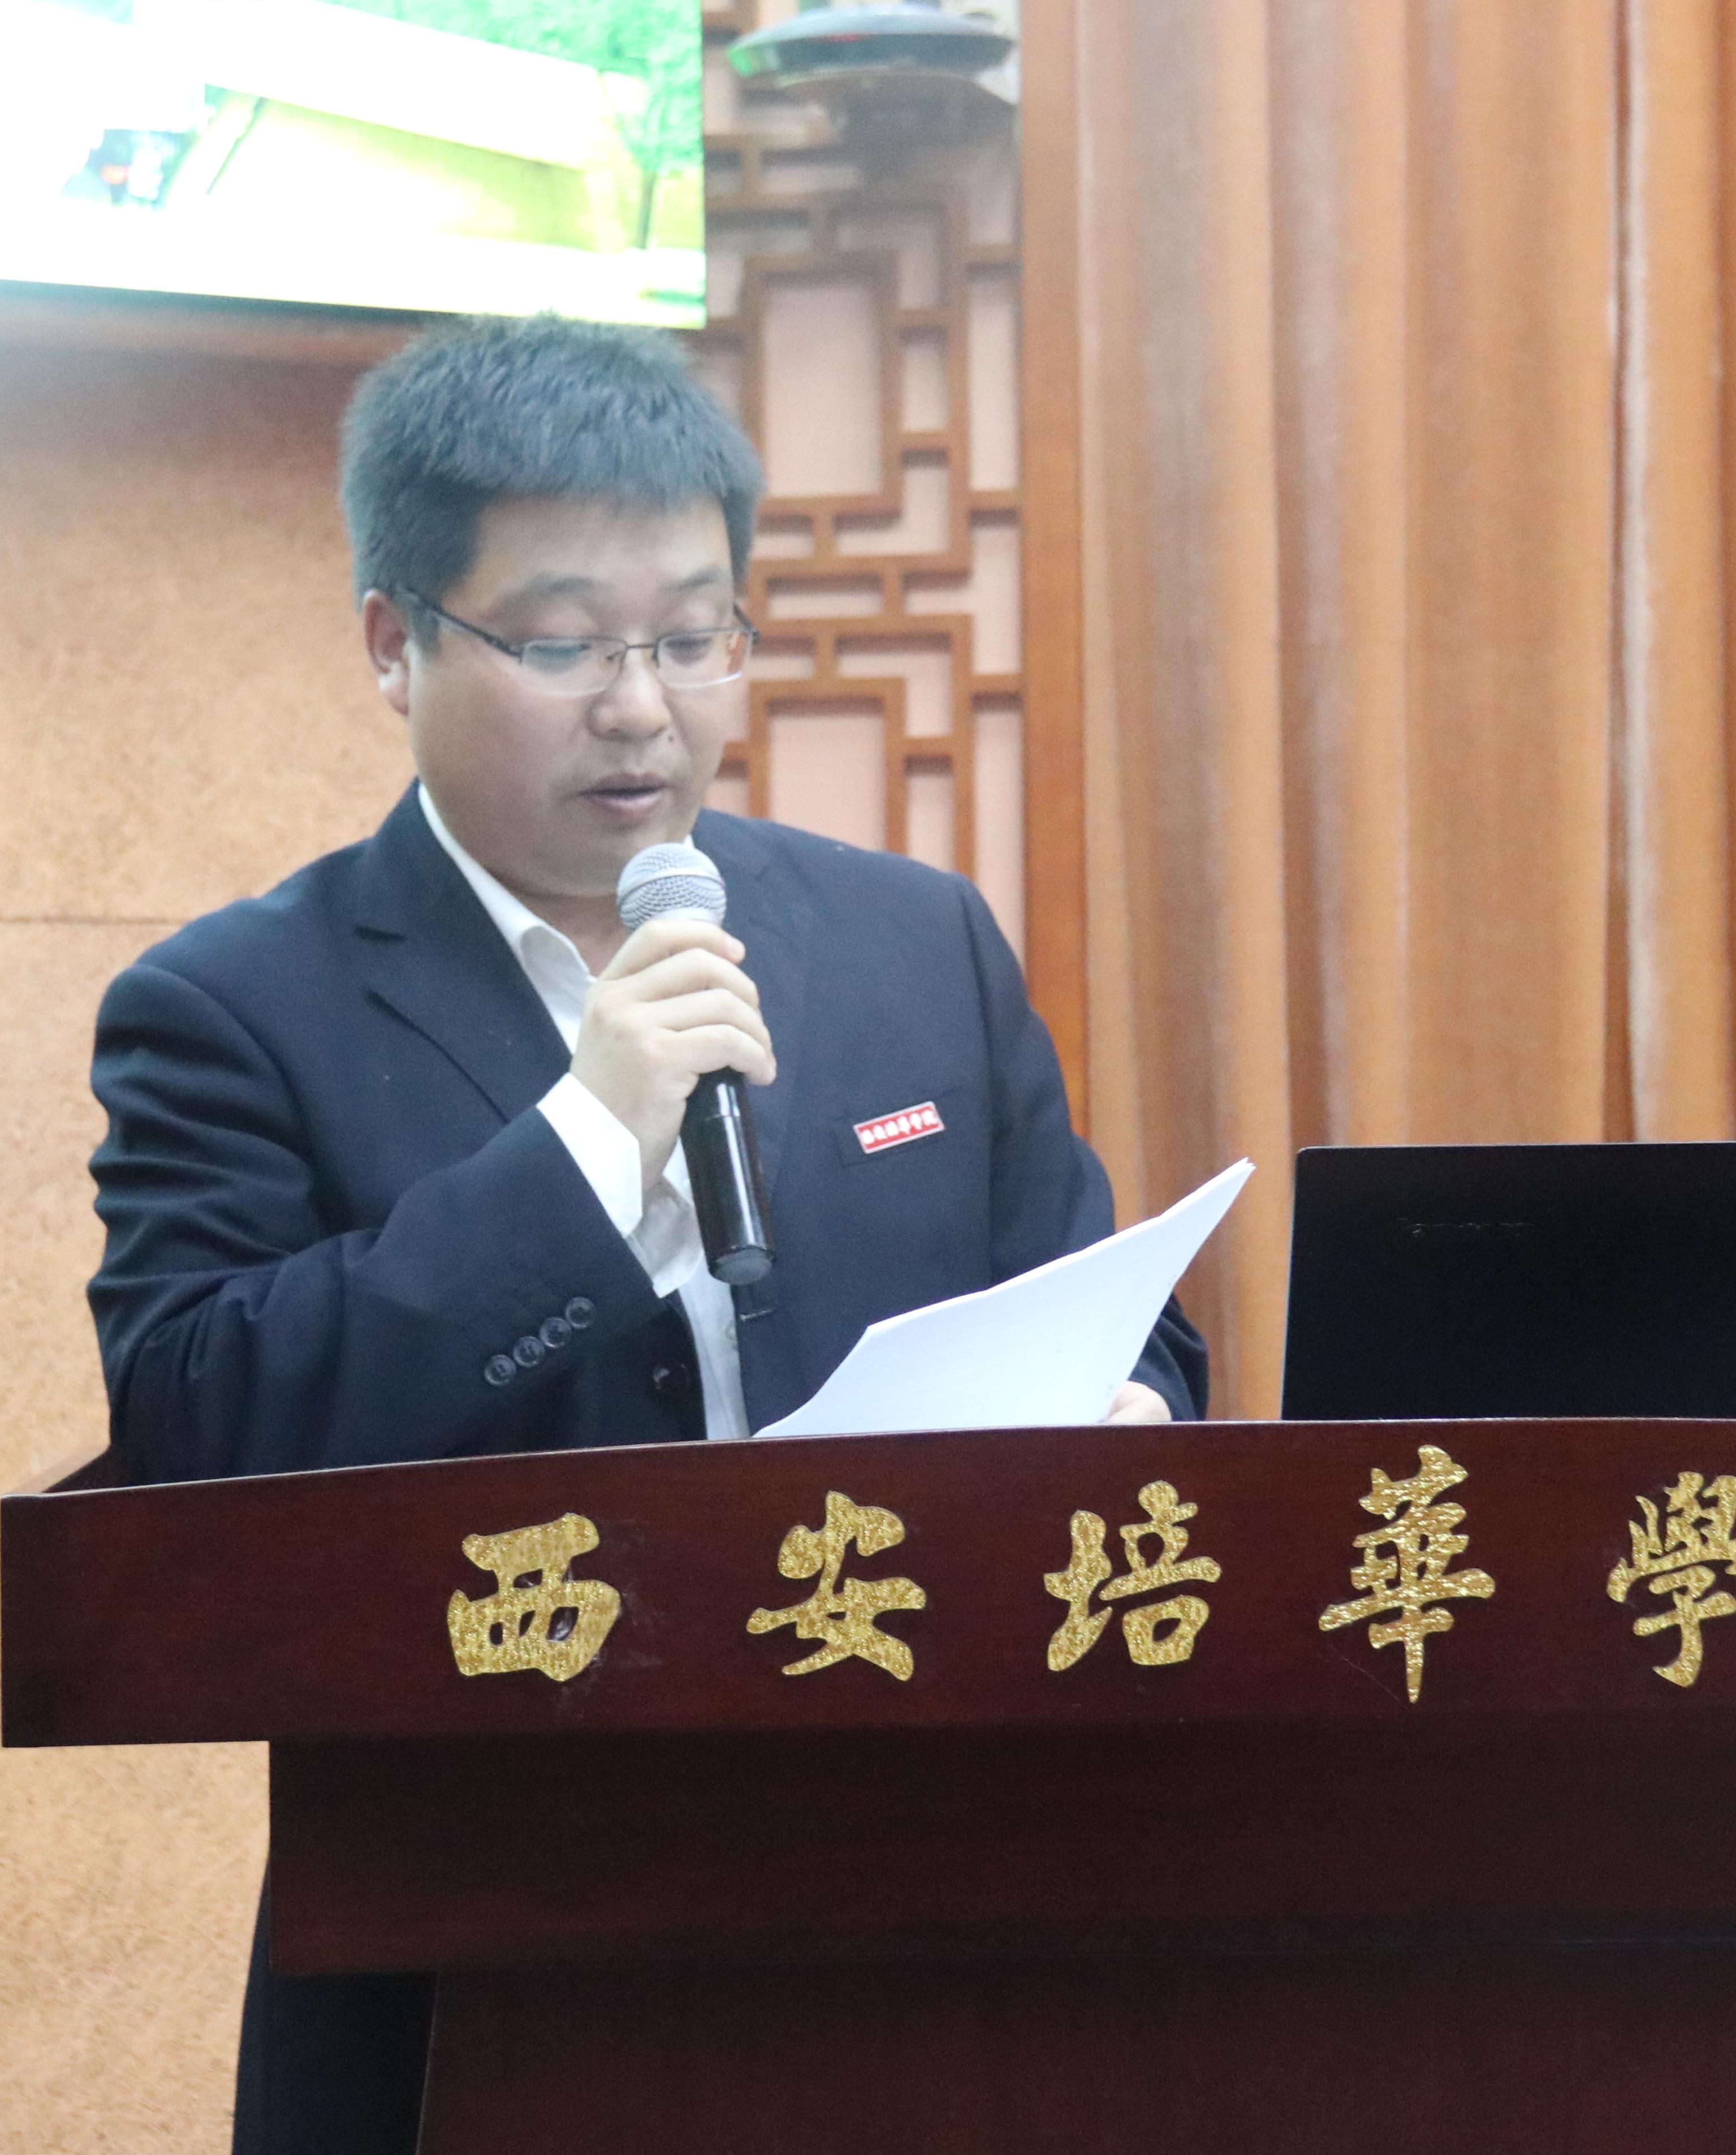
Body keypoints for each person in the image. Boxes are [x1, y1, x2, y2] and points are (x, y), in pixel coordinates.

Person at [82, 314, 1204, 2154]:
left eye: (692, 637)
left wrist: (1134, 1412)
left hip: (931, 1917)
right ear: (393, 643)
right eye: (562, 643)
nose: (641, 706)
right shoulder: (237, 1009)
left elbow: (1113, 1314)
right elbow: (205, 1431)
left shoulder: (913, 945)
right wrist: (590, 1144)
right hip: (483, 1953)